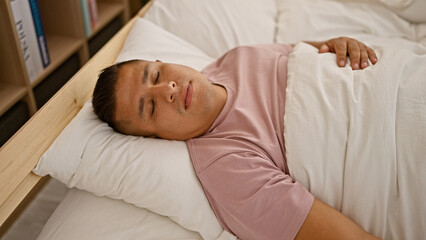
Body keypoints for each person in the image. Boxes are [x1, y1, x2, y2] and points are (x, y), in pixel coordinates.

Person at [92, 37, 380, 240]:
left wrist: (341, 44)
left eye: (155, 74)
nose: (167, 88)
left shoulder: (239, 56)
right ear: (156, 138)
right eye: (151, 108)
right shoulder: (226, 167)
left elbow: (313, 51)